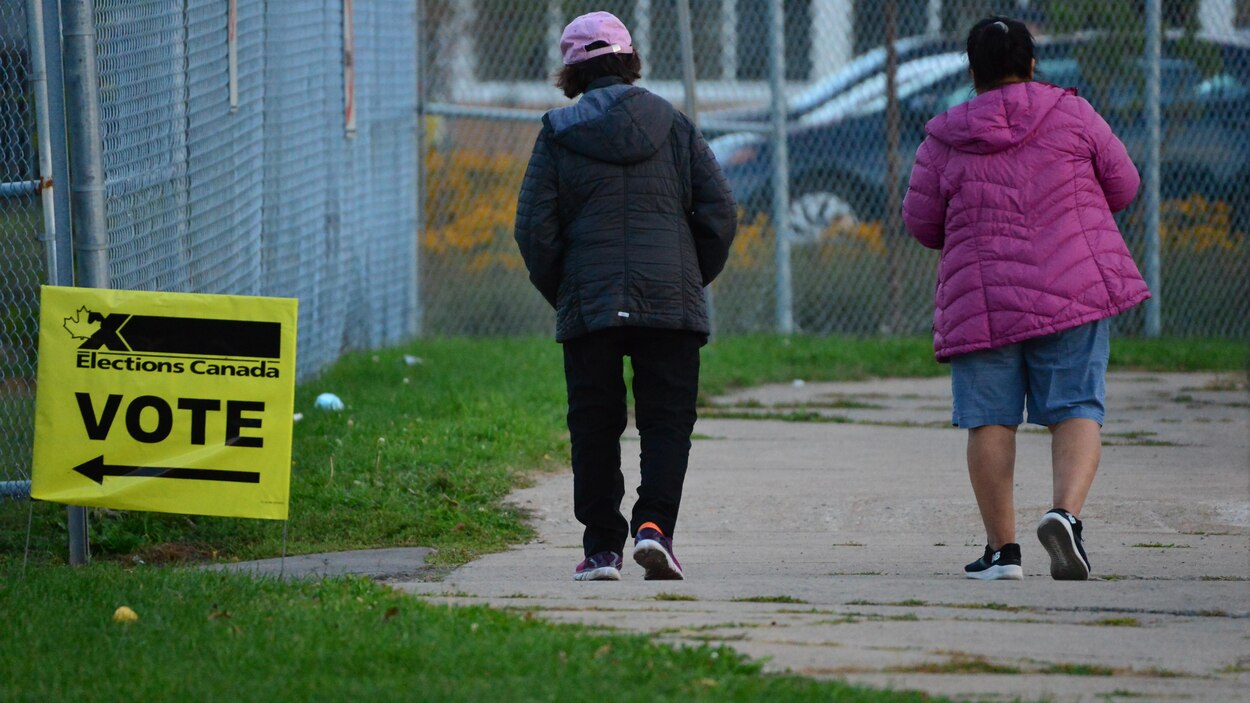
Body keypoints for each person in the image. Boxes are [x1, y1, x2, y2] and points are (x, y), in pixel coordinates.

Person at [902, 17, 1150, 581]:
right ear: (1032, 64)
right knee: (1077, 406)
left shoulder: (943, 136)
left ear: (973, 71)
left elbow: (921, 224)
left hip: (983, 297)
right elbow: (1126, 184)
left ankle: (1003, 553)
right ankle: (1065, 515)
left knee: (989, 417)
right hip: (1073, 286)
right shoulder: (1073, 113)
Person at [513, 11, 737, 581]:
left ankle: (602, 549)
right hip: (670, 302)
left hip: (591, 302)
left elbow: (534, 230)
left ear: (571, 72)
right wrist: (687, 279)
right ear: (629, 60)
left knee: (594, 423)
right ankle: (655, 529)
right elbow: (718, 214)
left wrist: (567, 290)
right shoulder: (676, 125)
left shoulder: (558, 134)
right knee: (666, 422)